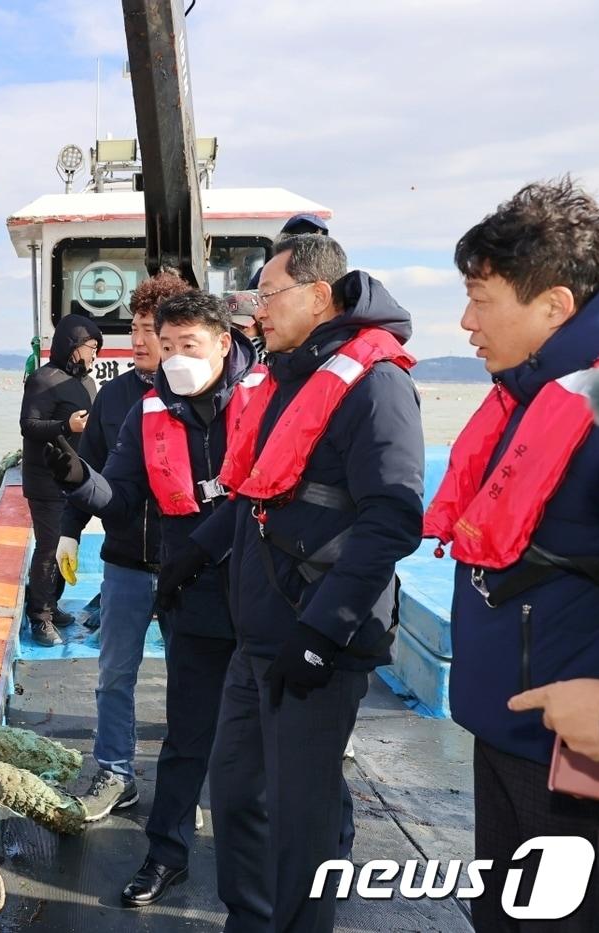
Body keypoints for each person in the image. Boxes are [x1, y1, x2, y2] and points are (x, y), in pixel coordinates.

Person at [161, 235, 424, 932]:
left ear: (318, 294)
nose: (257, 311)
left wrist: (320, 632)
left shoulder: (376, 386)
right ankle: (251, 919)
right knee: (237, 789)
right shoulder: (288, 377)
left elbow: (394, 518)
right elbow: (256, 494)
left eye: (269, 295)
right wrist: (192, 554)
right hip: (258, 635)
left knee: (301, 816)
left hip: (316, 640)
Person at [425, 177, 599, 932]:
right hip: (505, 739)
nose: (465, 321)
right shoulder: (530, 393)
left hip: (572, 762)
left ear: (555, 306)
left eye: (482, 298)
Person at [50, 289, 261, 906]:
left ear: (224, 343)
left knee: (272, 740)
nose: (173, 359)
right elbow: (118, 496)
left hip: (263, 597)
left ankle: (303, 857)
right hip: (190, 597)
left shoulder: (267, 401)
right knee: (186, 737)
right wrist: (78, 484)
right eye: (165, 346)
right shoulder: (146, 411)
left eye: (187, 346)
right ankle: (166, 854)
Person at [55, 271, 191, 820]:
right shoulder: (112, 397)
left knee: (192, 678)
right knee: (114, 674)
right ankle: (115, 772)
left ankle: (186, 782)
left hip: (191, 566)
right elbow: (88, 472)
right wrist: (69, 528)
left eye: (150, 330)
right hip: (125, 564)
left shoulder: (207, 397)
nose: (138, 341)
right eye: (133, 329)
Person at [19, 312, 103, 646]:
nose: (94, 353)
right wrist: (66, 426)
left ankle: (52, 605)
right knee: (49, 547)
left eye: (96, 347)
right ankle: (39, 617)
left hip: (75, 476)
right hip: (44, 479)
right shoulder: (43, 379)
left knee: (68, 545)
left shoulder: (86, 382)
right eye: (90, 346)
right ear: (72, 346)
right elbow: (29, 425)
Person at [248, 213, 330, 290]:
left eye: (311, 243)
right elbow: (248, 301)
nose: (302, 249)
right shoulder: (266, 274)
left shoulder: (332, 274)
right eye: (295, 242)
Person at [225, 291, 266, 362]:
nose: (236, 334)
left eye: (242, 327)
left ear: (260, 325)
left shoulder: (278, 363)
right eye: (229, 329)